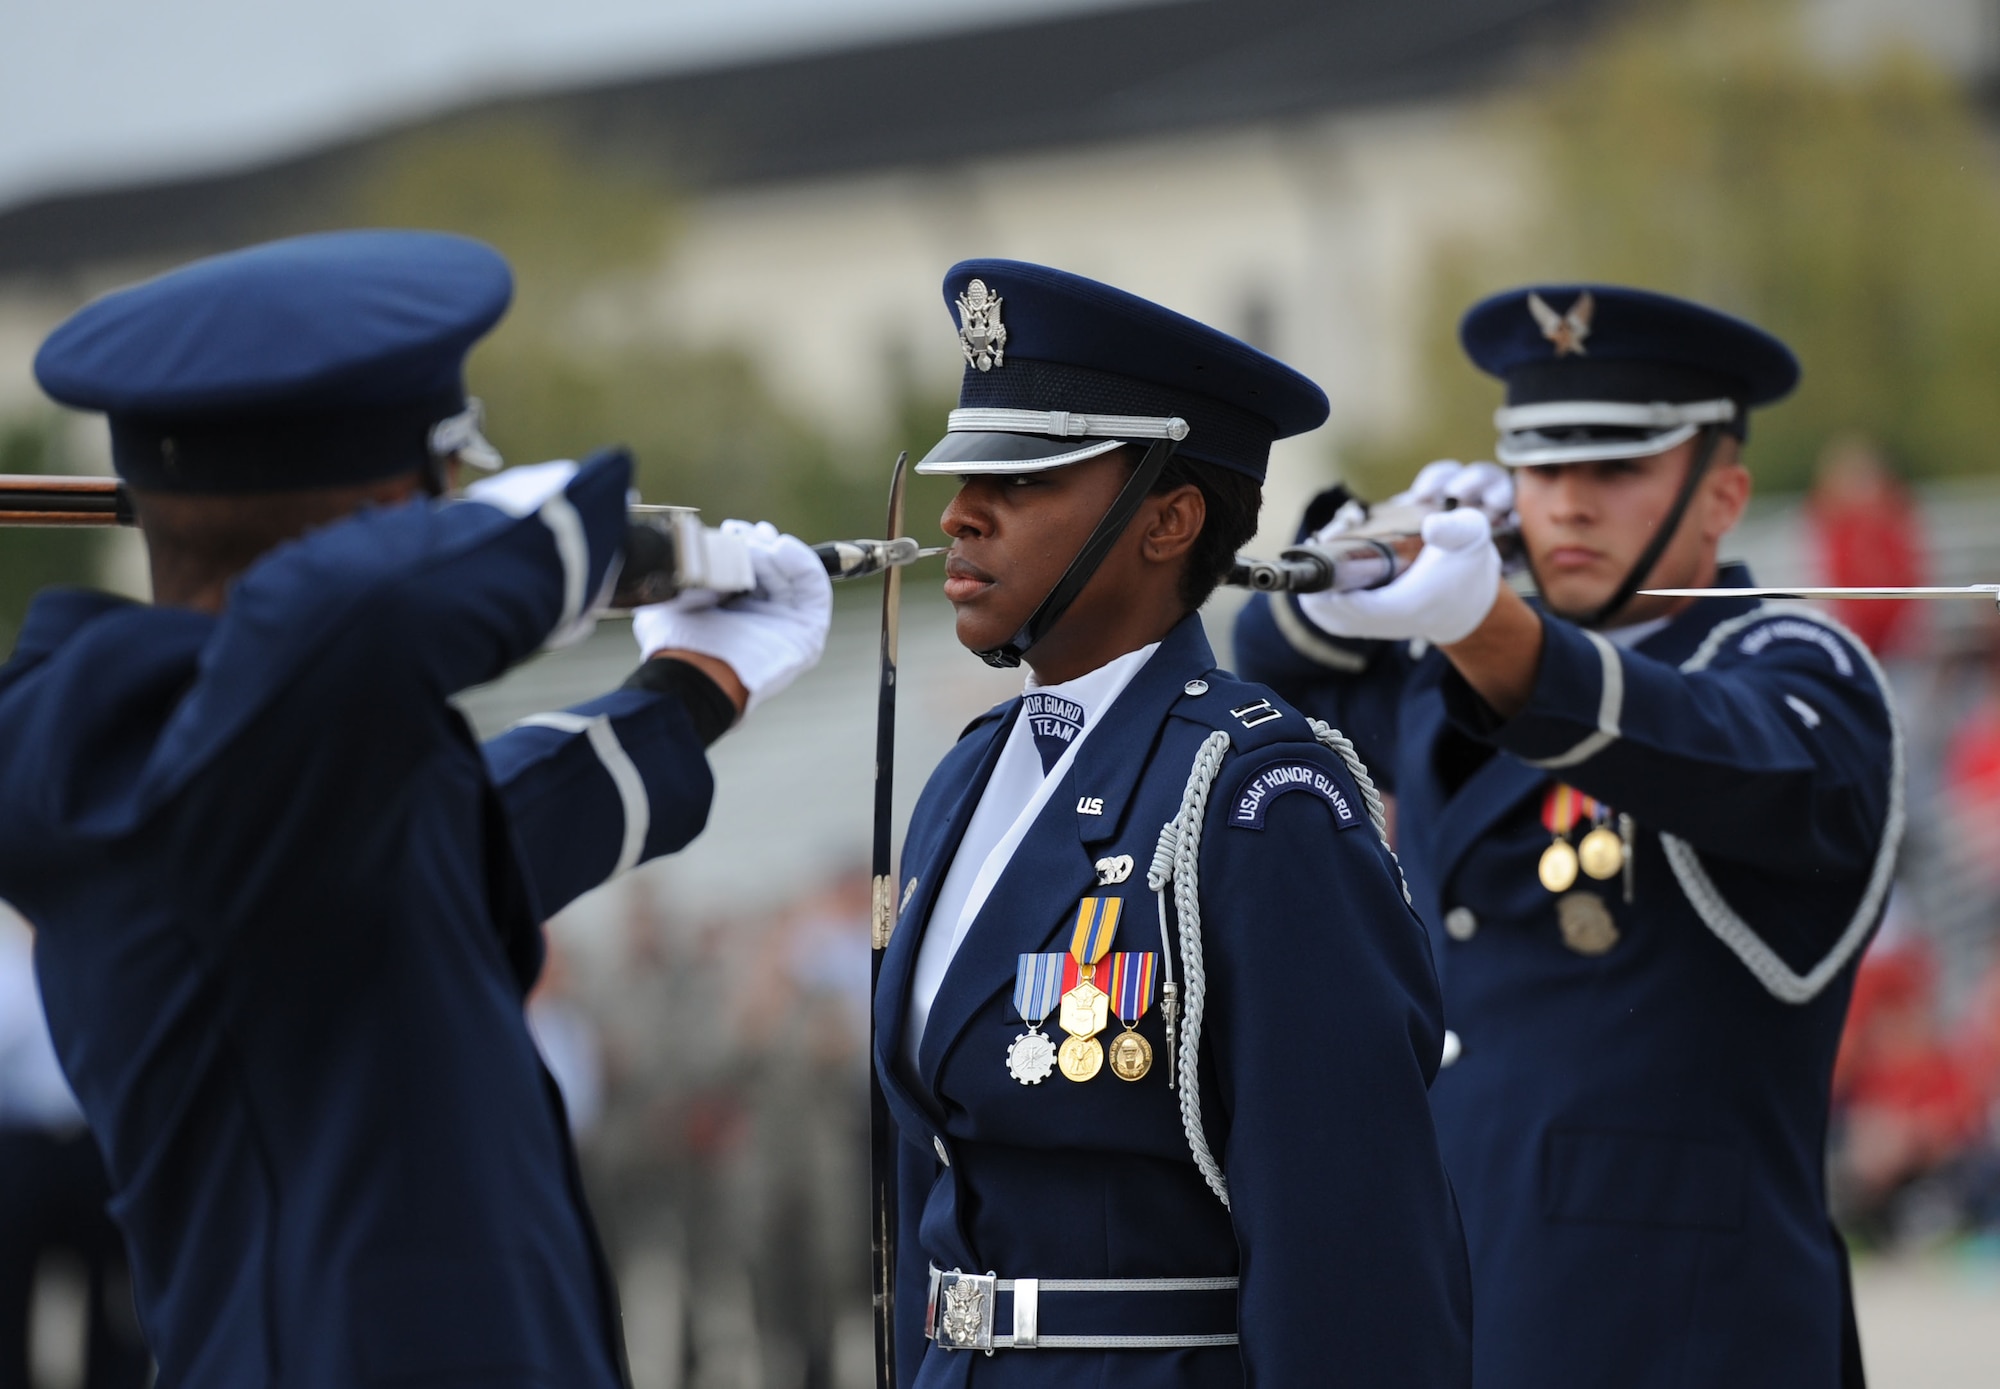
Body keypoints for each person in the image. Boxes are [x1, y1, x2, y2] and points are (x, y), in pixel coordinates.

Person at [0, 229, 832, 1388]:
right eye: (443, 482)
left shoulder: (254, 775)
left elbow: (473, 843)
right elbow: (356, 618)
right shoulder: (138, 764)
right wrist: (584, 533)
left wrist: (689, 691)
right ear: (399, 505)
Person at [1236, 284, 1900, 1388]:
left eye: (1615, 470)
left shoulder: (1794, 672)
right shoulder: (1461, 662)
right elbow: (1276, 662)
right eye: (1543, 472)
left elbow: (1694, 740)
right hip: (1457, 1290)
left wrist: (1493, 627)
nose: (1570, 506)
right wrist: (1353, 565)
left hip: (1676, 1331)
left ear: (1720, 493)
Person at [876, 259, 1471, 1387]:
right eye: (965, 480)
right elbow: (935, 1187)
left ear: (1168, 519)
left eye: (1026, 480)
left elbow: (1352, 1255)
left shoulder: (1259, 800)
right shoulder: (962, 786)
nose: (960, 513)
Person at [0, 907, 148, 1389]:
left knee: (112, 1295)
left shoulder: (91, 942)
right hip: (20, 1147)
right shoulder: (11, 958)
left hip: (91, 1145)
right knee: (12, 1293)